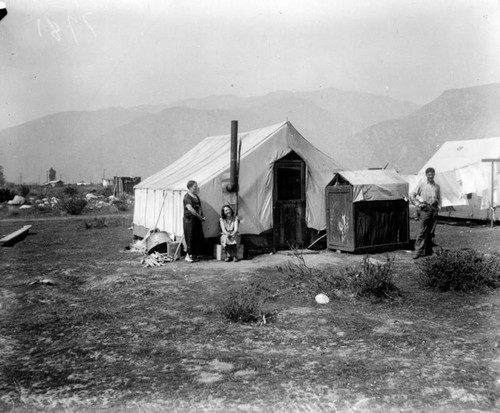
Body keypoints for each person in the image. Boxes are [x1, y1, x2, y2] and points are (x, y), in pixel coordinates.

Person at [410, 167, 441, 259]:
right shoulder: (422, 185)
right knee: (422, 231)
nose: (430, 176)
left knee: (431, 231)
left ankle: (428, 250)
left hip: (434, 210)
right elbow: (412, 195)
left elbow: (439, 198)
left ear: (434, 175)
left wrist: (438, 207)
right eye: (429, 174)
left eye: (432, 174)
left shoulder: (437, 186)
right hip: (425, 209)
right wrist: (417, 204)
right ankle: (418, 251)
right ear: (426, 175)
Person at [183, 180, 205, 263]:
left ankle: (194, 255)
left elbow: (199, 207)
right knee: (190, 237)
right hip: (189, 220)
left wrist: (201, 215)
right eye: (195, 187)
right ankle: (188, 255)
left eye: (196, 186)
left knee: (196, 237)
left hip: (196, 220)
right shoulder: (187, 197)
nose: (196, 188)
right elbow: (191, 209)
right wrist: (199, 217)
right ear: (190, 187)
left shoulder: (196, 196)